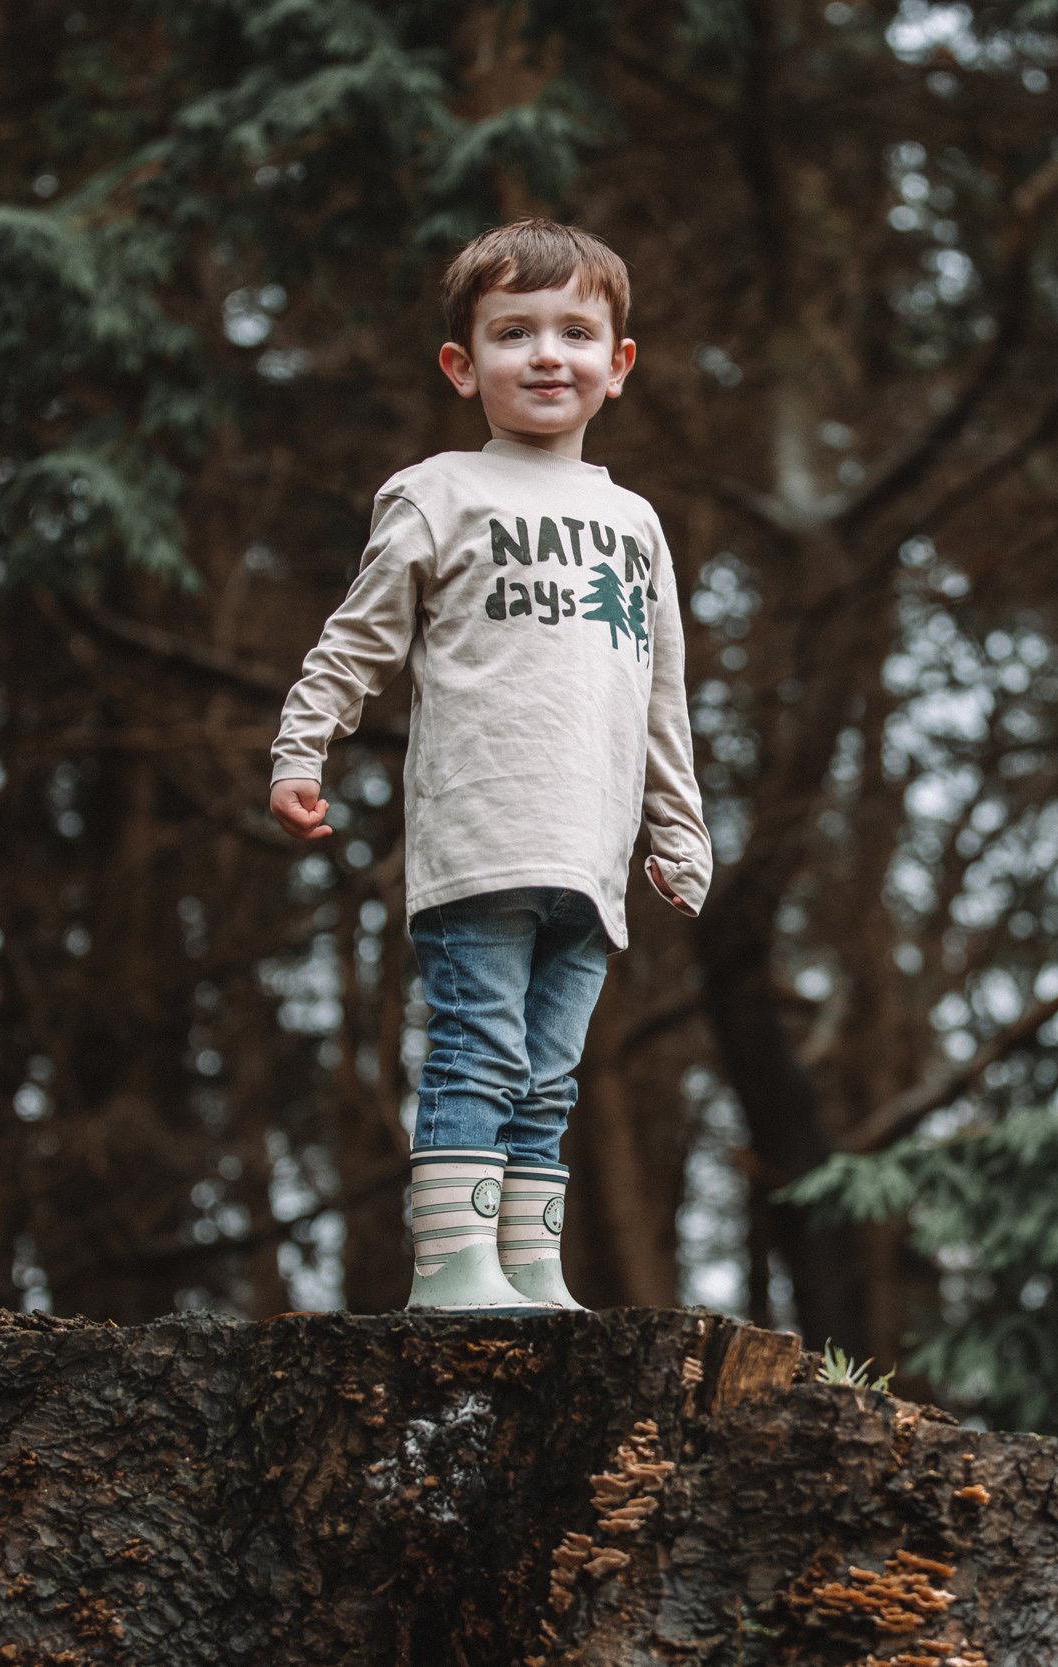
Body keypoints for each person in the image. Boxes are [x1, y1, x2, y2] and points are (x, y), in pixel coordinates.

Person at [267, 219, 711, 1314]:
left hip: (594, 851)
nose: (547, 354)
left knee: (551, 1075)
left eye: (575, 331)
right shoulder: (438, 493)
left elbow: (660, 693)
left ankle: (524, 1271)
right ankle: (451, 1273)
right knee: (478, 1049)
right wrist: (300, 745)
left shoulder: (633, 522)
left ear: (620, 364)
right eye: (514, 332)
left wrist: (681, 827)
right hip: (482, 832)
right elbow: (356, 640)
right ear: (464, 366)